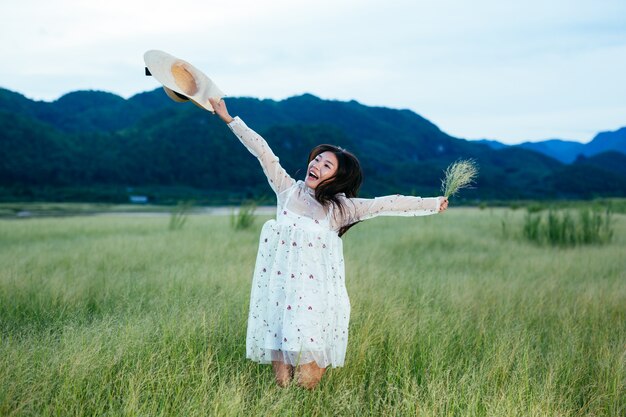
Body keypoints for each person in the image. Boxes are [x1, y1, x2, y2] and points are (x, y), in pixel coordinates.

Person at [208, 97, 448, 389]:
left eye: (327, 165)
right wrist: (229, 119)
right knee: (282, 380)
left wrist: (432, 203)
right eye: (317, 159)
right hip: (279, 294)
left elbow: (387, 203)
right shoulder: (287, 191)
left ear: (337, 177)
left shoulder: (341, 209)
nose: (317, 165)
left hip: (314, 300)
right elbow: (263, 152)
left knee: (307, 381)